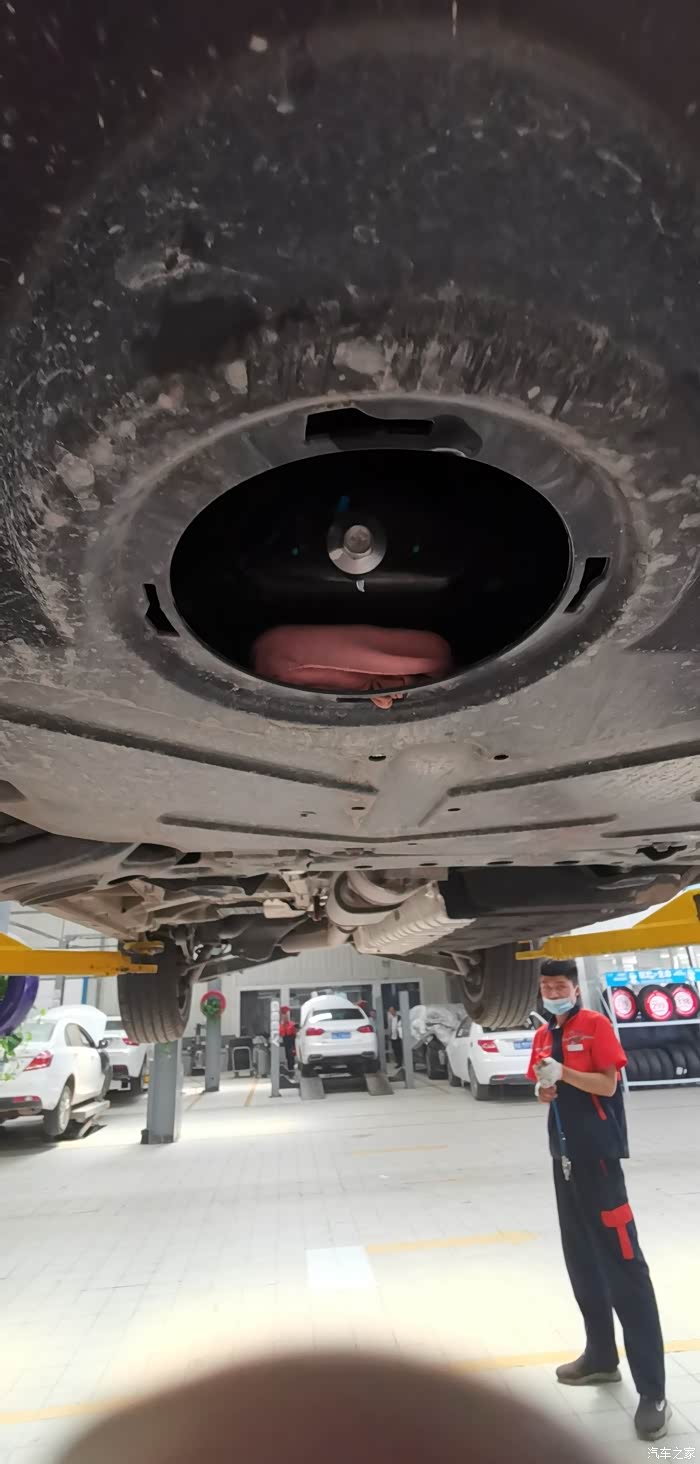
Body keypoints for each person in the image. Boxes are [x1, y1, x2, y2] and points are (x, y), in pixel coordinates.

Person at [528, 958, 668, 1441]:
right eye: (546, 987)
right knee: (582, 1262)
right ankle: (601, 1358)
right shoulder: (543, 1034)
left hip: (600, 1162)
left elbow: (607, 1084)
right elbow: (543, 1085)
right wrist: (544, 1088)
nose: (553, 993)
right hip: (564, 1161)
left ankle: (653, 1392)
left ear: (575, 988)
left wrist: (564, 1073)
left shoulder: (595, 1025)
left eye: (559, 986)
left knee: (624, 1268)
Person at [279, 1006, 297, 1072]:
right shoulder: (281, 1026)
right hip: (286, 1042)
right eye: (283, 1017)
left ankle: (292, 1067)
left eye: (285, 1016)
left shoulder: (292, 1024)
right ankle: (290, 1068)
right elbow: (281, 1034)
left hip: (291, 1041)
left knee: (291, 1054)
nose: (284, 1018)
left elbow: (294, 1033)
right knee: (288, 1055)